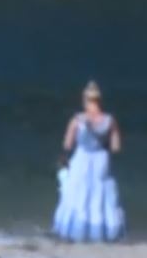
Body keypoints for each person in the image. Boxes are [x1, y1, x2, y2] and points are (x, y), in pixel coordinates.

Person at [52, 81, 125, 243]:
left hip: (82, 159)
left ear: (85, 100)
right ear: (100, 101)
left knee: (78, 193)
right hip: (101, 159)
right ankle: (103, 233)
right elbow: (116, 147)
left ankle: (76, 231)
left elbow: (67, 145)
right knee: (101, 195)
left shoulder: (77, 120)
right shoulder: (110, 120)